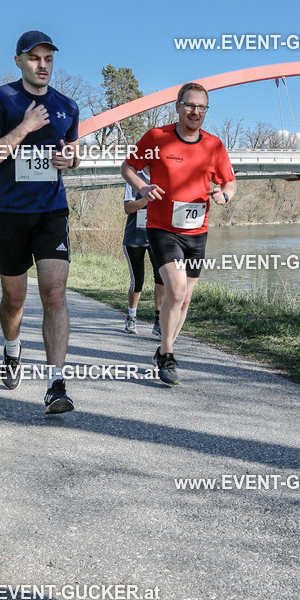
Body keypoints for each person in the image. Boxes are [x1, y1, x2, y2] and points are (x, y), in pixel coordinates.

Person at [0, 31, 80, 414]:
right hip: (9, 214)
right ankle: (12, 349)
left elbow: (73, 150)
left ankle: (56, 384)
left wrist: (72, 160)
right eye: (34, 58)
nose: (43, 65)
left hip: (51, 211)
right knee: (14, 299)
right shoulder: (1, 100)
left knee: (54, 292)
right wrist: (25, 127)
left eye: (48, 59)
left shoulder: (67, 105)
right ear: (19, 60)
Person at [121, 81, 236, 385]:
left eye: (201, 107)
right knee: (177, 290)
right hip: (162, 228)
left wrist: (224, 195)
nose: (195, 111)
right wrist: (142, 187)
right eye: (189, 105)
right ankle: (168, 352)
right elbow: (128, 167)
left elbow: (230, 182)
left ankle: (162, 351)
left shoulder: (214, 145)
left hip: (197, 231)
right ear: (178, 106)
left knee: (184, 301)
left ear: (205, 111)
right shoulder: (156, 137)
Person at [122, 168, 165, 336]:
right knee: (137, 281)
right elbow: (128, 208)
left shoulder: (164, 176)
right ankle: (131, 316)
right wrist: (146, 199)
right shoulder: (134, 178)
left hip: (158, 237)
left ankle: (159, 321)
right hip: (135, 238)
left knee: (161, 279)